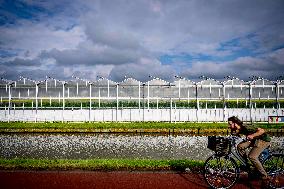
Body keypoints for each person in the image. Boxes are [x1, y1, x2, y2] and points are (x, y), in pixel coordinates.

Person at [227, 116, 271, 182]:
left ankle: (264, 175)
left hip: (263, 140)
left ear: (235, 123)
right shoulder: (239, 129)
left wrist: (252, 135)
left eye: (230, 124)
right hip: (255, 140)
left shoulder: (246, 126)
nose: (229, 125)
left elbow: (262, 131)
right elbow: (234, 134)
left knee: (252, 156)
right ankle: (247, 165)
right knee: (240, 146)